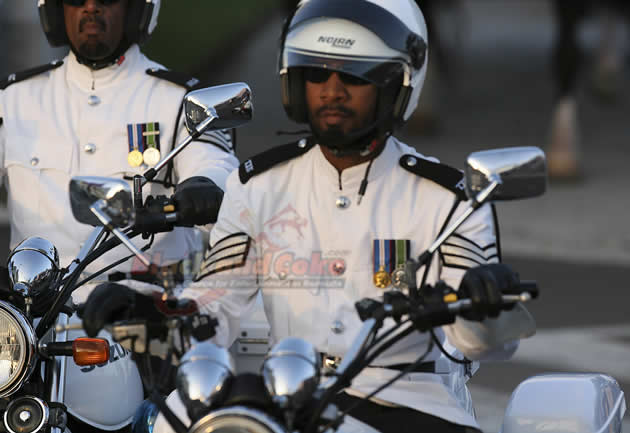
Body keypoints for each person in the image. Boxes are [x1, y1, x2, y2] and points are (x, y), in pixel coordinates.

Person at [82, 0, 536, 431]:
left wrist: (485, 301)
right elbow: (219, 305)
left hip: (408, 402)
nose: (332, 91)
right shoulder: (258, 184)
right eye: (316, 74)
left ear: (396, 85)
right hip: (288, 396)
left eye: (354, 76)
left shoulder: (448, 199)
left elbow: (480, 344)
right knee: (171, 420)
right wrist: (149, 306)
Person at [0, 0, 238, 283]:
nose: (91, 7)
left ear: (135, 10)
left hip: (146, 299)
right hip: (34, 306)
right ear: (55, 10)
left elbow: (214, 164)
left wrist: (203, 185)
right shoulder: (12, 100)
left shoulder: (180, 98)